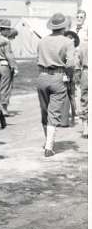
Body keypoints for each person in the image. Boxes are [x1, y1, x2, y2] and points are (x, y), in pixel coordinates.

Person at [36, 12, 75, 156]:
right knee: (54, 112)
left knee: (44, 111)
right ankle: (49, 146)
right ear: (64, 27)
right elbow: (70, 64)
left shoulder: (42, 41)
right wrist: (69, 77)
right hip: (58, 76)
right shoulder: (68, 42)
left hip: (42, 76)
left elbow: (37, 59)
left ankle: (47, 141)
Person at [0, 19, 18, 115]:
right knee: (5, 88)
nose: (9, 31)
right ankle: (4, 109)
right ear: (5, 30)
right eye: (8, 30)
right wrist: (14, 67)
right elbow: (9, 55)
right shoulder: (6, 41)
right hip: (4, 65)